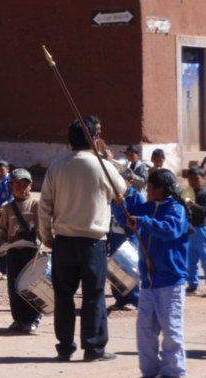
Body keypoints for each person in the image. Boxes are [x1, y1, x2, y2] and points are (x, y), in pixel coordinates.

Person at [39, 119, 126, 362]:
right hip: (93, 242)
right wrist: (107, 159)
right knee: (93, 295)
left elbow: (44, 205)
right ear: (92, 138)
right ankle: (94, 347)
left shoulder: (57, 166)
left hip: (63, 241)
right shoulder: (103, 166)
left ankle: (65, 347)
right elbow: (122, 189)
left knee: (64, 296)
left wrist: (46, 235)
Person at [112, 169, 189, 378]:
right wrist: (119, 204)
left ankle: (174, 373)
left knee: (172, 332)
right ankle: (149, 373)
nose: (147, 191)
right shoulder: (146, 207)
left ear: (161, 189)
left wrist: (143, 221)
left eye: (150, 188)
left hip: (170, 282)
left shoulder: (177, 210)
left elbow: (169, 229)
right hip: (147, 283)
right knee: (145, 332)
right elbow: (126, 217)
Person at [0, 168, 40, 334]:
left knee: (31, 287)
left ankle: (33, 318)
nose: (22, 188)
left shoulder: (36, 205)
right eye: (18, 184)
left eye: (25, 184)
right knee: (14, 287)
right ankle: (18, 319)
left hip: (31, 253)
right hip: (13, 252)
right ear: (11, 186)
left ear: (31, 186)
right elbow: (2, 230)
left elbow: (44, 229)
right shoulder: (7, 209)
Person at [108, 169, 145, 311]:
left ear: (130, 182)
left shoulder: (137, 196)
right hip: (115, 235)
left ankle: (133, 299)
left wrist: (120, 206)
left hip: (130, 235)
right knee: (115, 267)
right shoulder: (113, 196)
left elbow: (133, 219)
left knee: (130, 267)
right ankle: (119, 298)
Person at [185, 166, 206, 297]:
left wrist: (192, 205)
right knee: (190, 260)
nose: (193, 181)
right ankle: (192, 285)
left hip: (203, 228)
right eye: (190, 179)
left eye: (196, 178)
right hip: (190, 229)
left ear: (203, 179)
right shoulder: (188, 193)